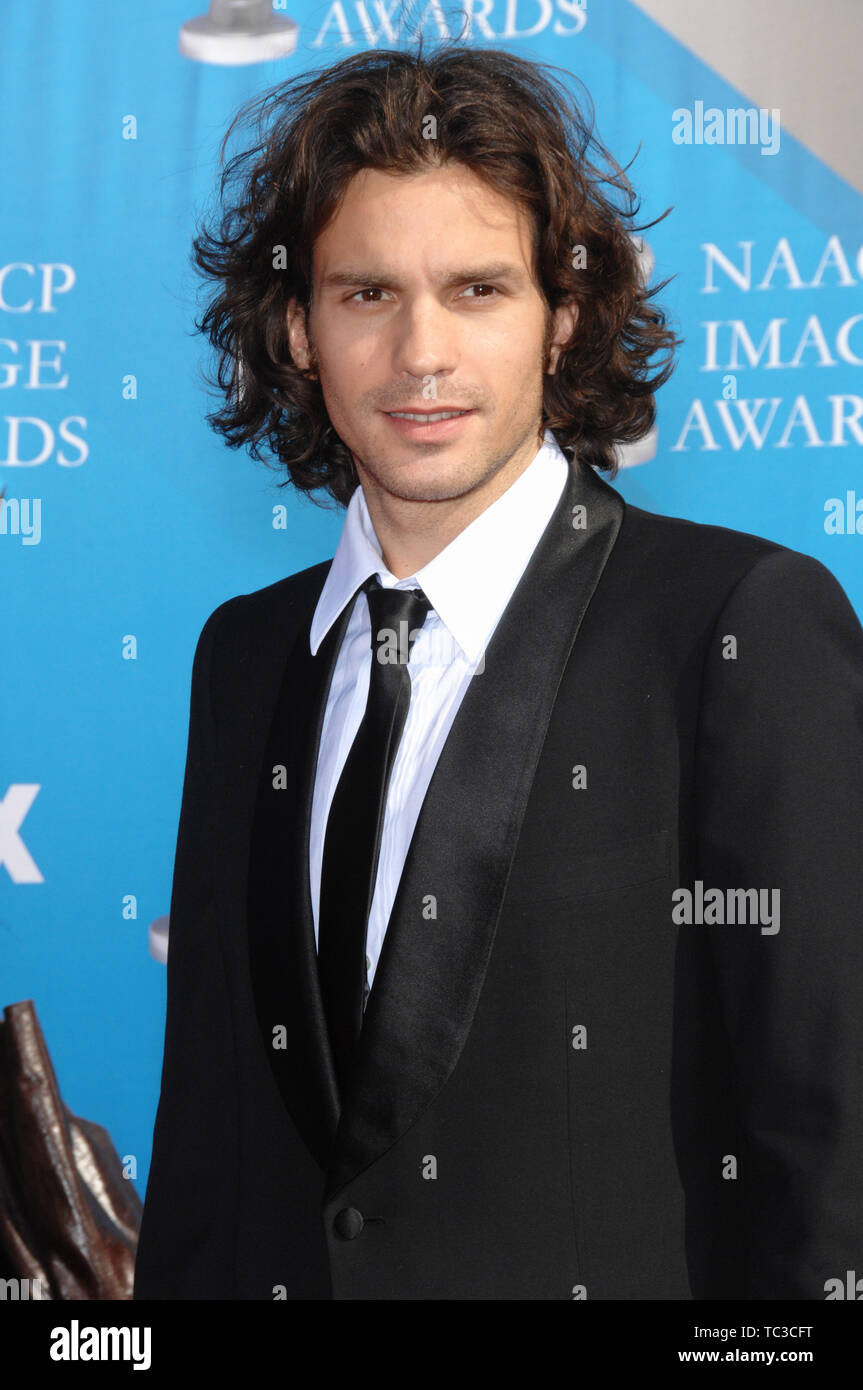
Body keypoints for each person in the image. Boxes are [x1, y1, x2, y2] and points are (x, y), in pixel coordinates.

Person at [133, 42, 863, 1300]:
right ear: (298, 328)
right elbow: (212, 1140)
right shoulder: (244, 655)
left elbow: (829, 1139)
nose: (420, 352)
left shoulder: (732, 629)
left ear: (562, 316)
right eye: (366, 294)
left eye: (476, 290)